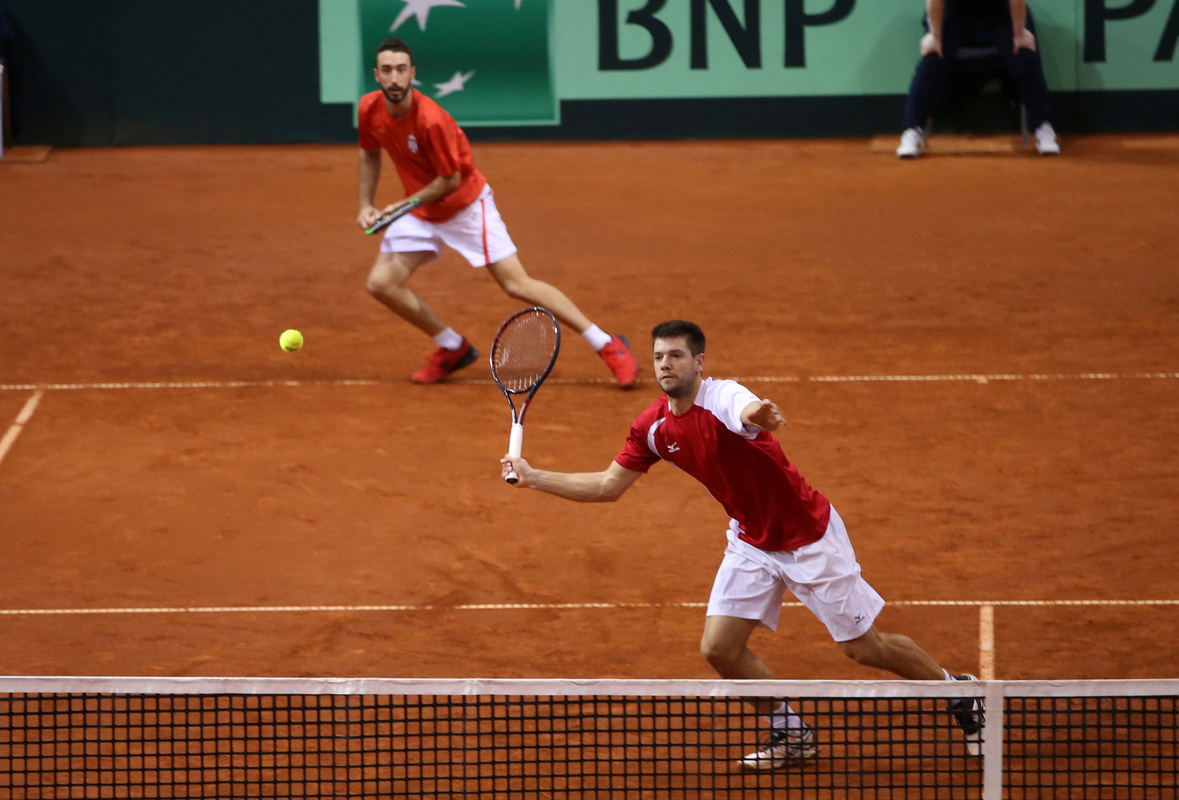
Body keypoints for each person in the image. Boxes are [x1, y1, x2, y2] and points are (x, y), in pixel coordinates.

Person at [500, 320, 985, 770]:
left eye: (676, 356)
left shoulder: (723, 398)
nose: (666, 365)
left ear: (699, 362)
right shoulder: (652, 427)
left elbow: (745, 409)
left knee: (865, 648)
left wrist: (759, 414)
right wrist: (534, 477)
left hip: (808, 537)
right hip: (751, 540)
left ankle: (959, 691)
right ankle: (792, 734)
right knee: (720, 648)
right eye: (659, 357)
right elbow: (608, 486)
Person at [357, 38, 639, 387]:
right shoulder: (369, 108)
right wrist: (366, 204)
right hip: (420, 210)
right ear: (377, 75)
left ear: (412, 73)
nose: (394, 78)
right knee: (382, 284)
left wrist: (402, 205)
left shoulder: (432, 120)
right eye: (387, 70)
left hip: (465, 207)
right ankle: (452, 347)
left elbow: (449, 180)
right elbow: (369, 152)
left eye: (401, 70)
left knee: (517, 284)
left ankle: (608, 344)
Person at [896, 0, 1060, 158]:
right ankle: (912, 129)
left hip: (997, 7)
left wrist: (1019, 34)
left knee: (1024, 55)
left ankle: (1043, 125)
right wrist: (935, 37)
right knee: (933, 58)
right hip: (957, 8)